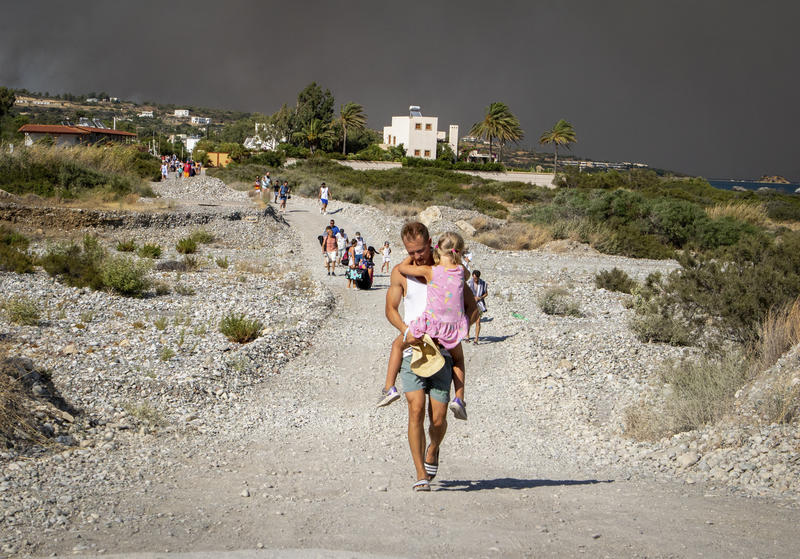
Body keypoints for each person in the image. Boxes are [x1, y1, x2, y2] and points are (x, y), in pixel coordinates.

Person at [382, 222, 478, 491]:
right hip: (414, 350)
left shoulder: (448, 271)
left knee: (438, 419)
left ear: (431, 243)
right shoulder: (402, 273)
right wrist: (405, 331)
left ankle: (434, 447)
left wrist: (460, 331)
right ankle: (420, 473)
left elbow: (472, 307)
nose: (416, 257)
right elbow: (390, 308)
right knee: (415, 410)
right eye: (410, 252)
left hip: (443, 352)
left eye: (420, 250)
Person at [467, 270, 488, 344]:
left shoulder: (483, 283)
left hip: (479, 304)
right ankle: (467, 336)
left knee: (478, 321)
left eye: (476, 278)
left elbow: (486, 293)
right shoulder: (469, 283)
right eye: (474, 278)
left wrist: (480, 297)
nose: (475, 279)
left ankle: (476, 339)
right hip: (470, 304)